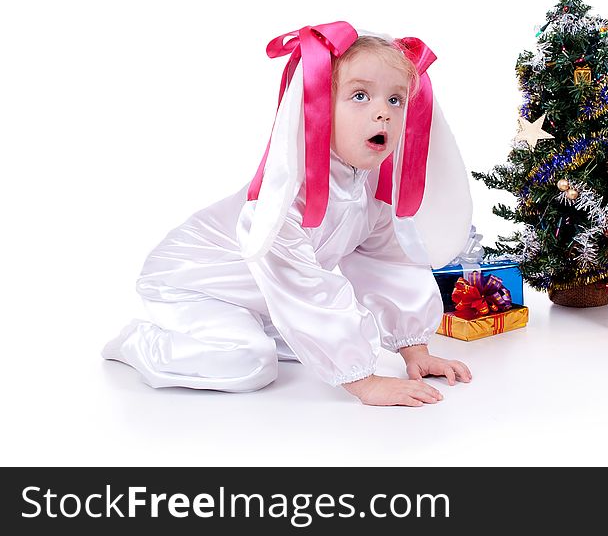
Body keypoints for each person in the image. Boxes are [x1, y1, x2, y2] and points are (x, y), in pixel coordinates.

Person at [102, 21, 474, 407]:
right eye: (361, 95)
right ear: (319, 109)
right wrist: (365, 383)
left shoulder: (367, 188)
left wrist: (415, 350)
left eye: (395, 100)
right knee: (249, 363)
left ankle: (257, 329)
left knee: (330, 344)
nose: (383, 113)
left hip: (258, 298)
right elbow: (303, 286)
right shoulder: (285, 197)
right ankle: (137, 342)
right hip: (190, 284)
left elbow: (388, 263)